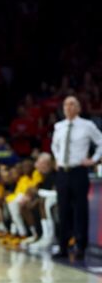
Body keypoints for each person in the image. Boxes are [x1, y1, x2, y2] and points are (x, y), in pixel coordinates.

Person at [50, 96, 102, 260]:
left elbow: (101, 141)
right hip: (63, 172)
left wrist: (93, 159)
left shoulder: (87, 125)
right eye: (66, 104)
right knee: (63, 209)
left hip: (79, 171)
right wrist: (58, 159)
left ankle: (81, 246)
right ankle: (63, 246)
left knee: (80, 209)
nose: (69, 107)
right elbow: (54, 145)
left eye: (72, 104)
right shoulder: (59, 126)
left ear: (78, 108)